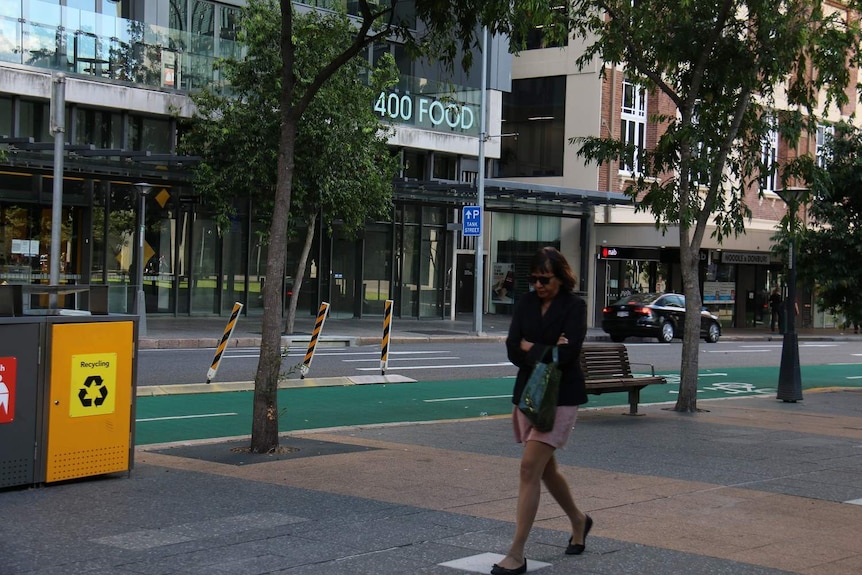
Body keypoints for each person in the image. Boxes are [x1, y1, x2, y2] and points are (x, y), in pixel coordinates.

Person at [493, 247, 591, 575]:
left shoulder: (575, 306)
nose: (538, 285)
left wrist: (530, 347)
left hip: (561, 398)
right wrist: (547, 349)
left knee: (528, 469)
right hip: (529, 396)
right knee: (545, 470)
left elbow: (570, 354)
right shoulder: (524, 303)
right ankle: (579, 520)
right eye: (534, 279)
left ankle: (517, 553)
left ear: (561, 277)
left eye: (545, 279)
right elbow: (511, 347)